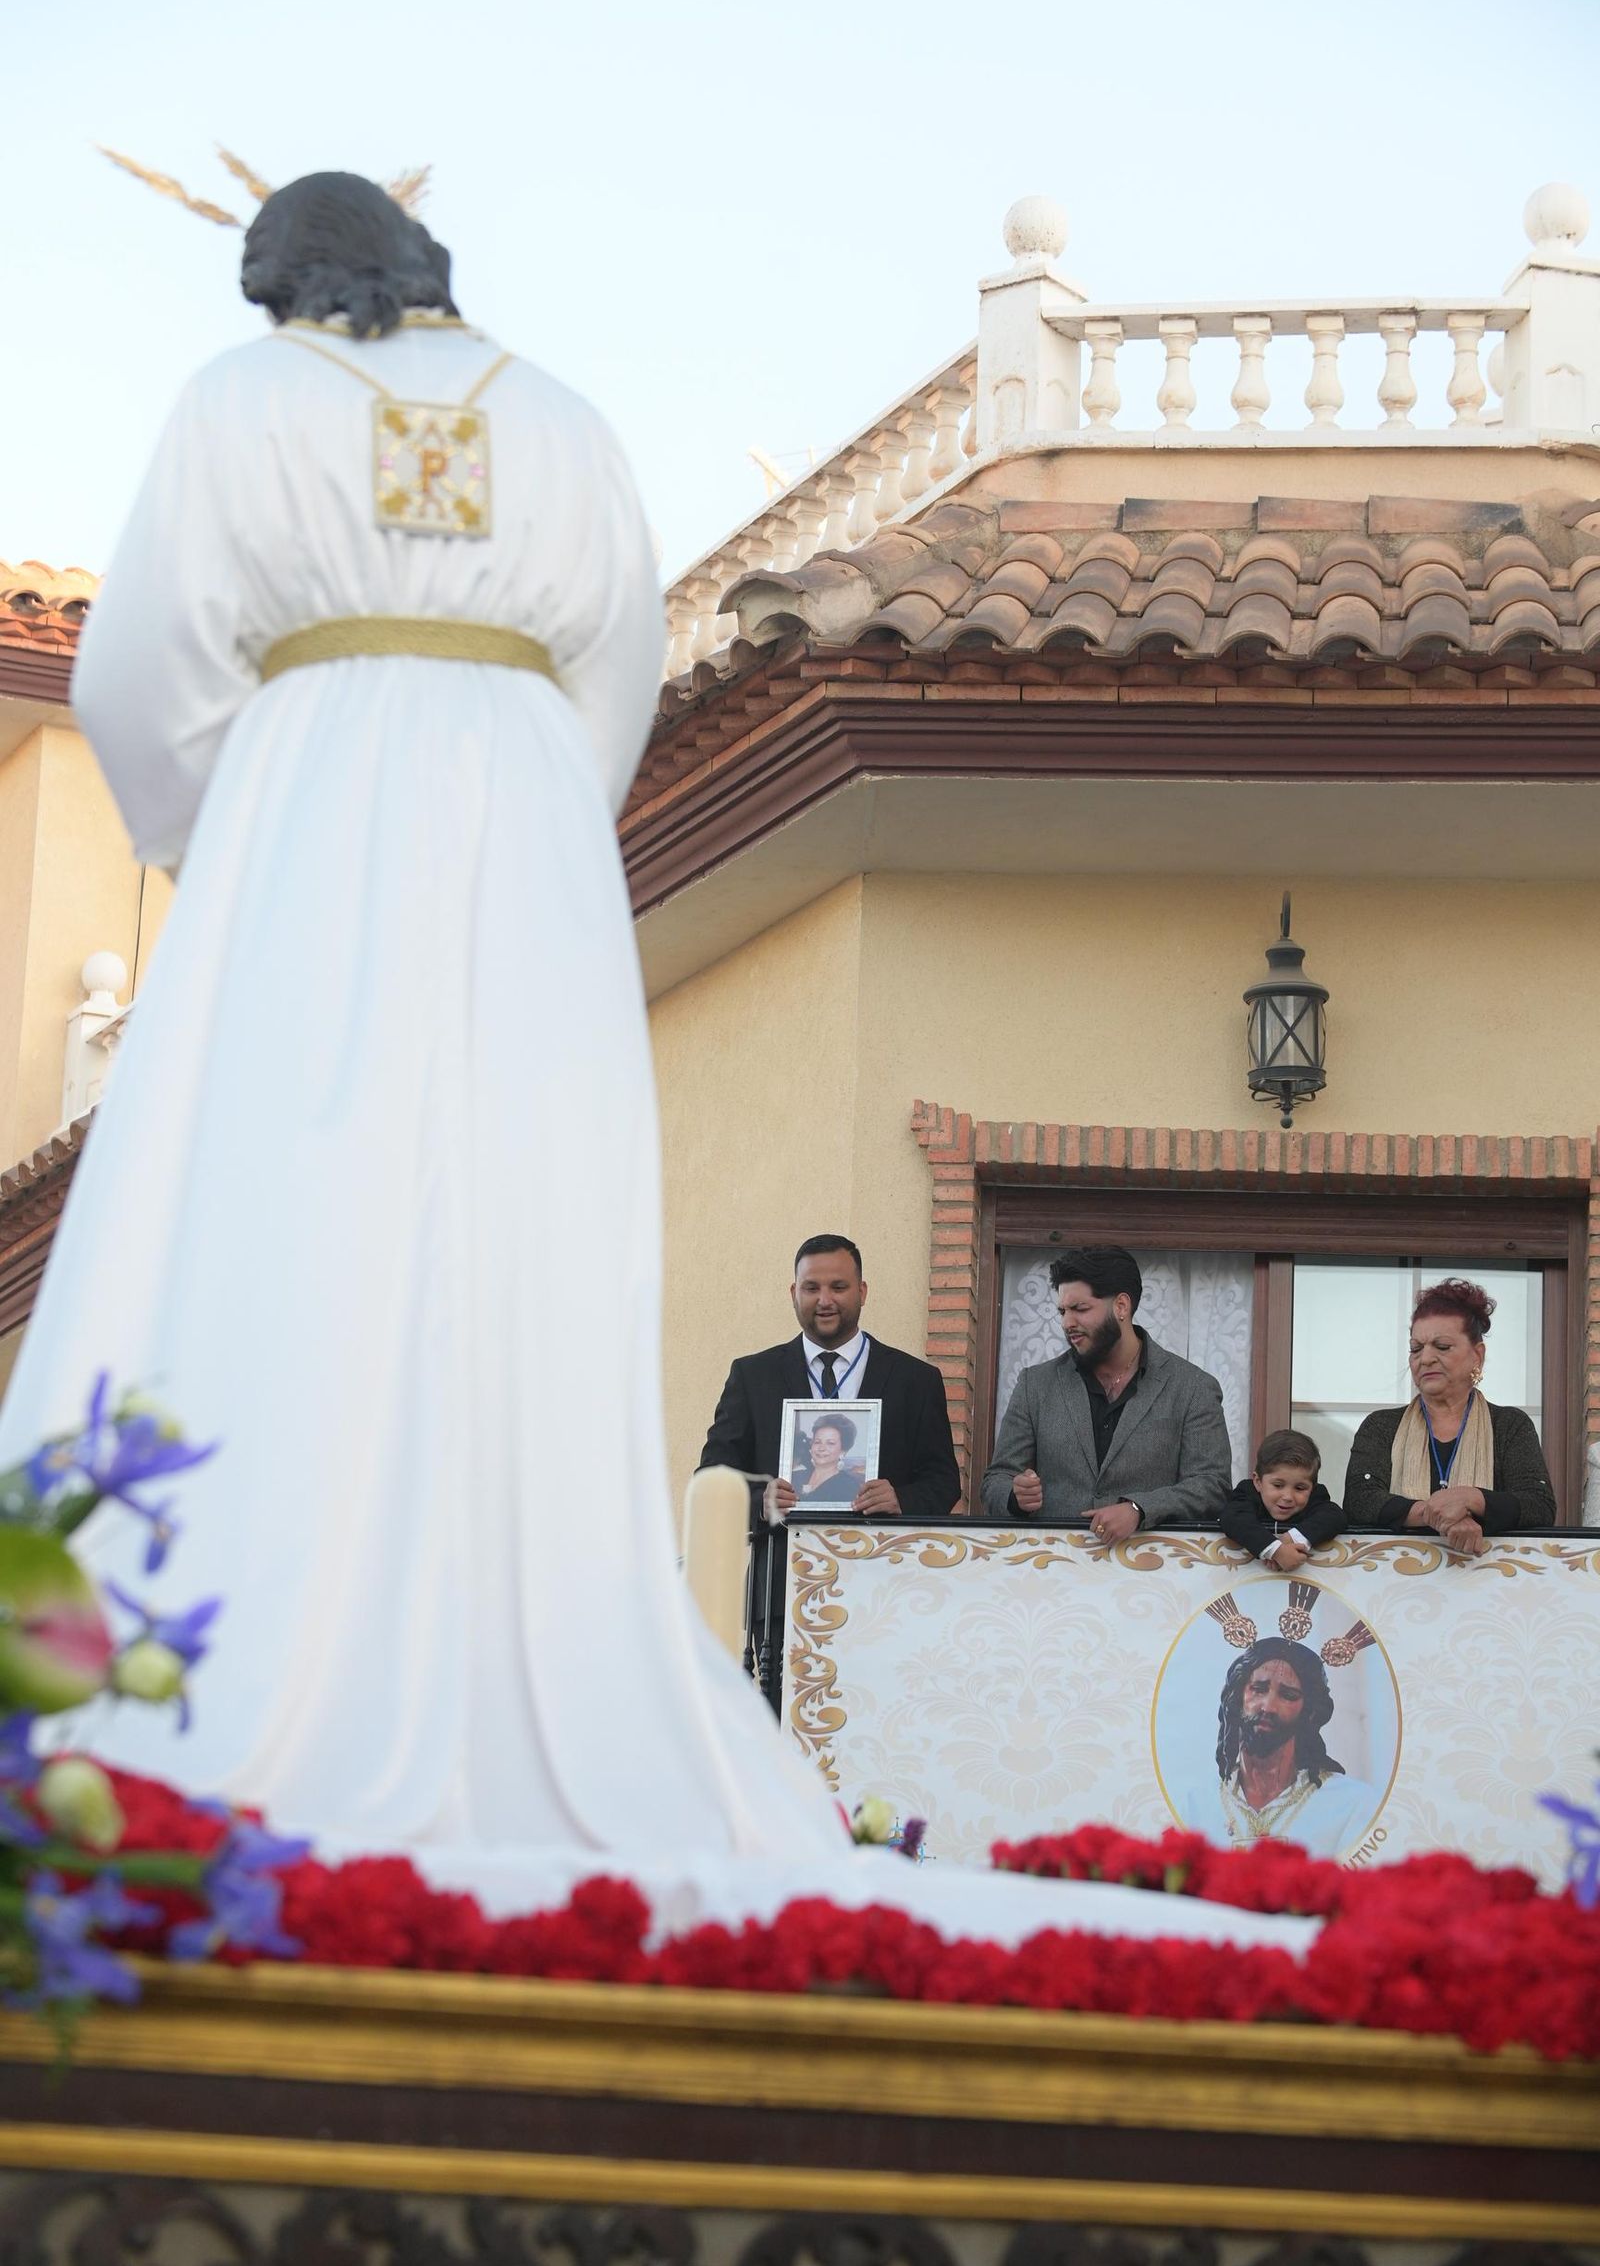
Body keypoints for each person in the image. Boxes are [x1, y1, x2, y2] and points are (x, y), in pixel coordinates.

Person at [0, 174, 1316, 1966]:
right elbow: (614, 686)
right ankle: (521, 1653)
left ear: (291, 291)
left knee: (272, 1215)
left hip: (309, 818)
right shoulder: (567, 422)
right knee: (506, 1238)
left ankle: (206, 1646)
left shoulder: (246, 397)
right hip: (529, 873)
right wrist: (519, 832)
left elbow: (144, 682)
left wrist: (242, 842)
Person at [700, 1235, 961, 1518]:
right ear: (793, 1293)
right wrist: (760, 1503)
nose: (824, 1300)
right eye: (811, 1288)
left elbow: (943, 1482)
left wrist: (901, 1499)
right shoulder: (752, 1376)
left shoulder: (916, 1380)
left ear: (862, 1292)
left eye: (838, 1287)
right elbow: (712, 1480)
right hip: (782, 1555)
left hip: (879, 1556)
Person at [980, 1245, 1232, 1533]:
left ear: (1121, 1306)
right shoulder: (1034, 1385)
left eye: (1080, 1309)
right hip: (1052, 1569)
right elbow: (996, 1480)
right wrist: (1014, 1496)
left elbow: (1212, 1486)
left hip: (1152, 1569)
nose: (1067, 1323)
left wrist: (1140, 1509)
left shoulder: (1193, 1388)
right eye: (1062, 1311)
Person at [1343, 1278, 1557, 1551]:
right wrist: (1438, 1515)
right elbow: (1359, 1500)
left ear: (1477, 1355)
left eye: (1441, 1346)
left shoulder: (1509, 1425)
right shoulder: (1381, 1426)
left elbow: (1538, 1504)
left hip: (1490, 1581)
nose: (1426, 1358)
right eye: (1416, 1348)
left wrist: (1471, 1499)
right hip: (1394, 1581)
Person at [1180, 1636, 1379, 1855]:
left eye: (1288, 1695)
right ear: (1238, 1698)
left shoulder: (1352, 1804)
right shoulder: (1196, 1805)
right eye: (1258, 1688)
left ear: (1309, 1711)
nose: (1268, 1706)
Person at [1219, 1429, 1348, 1568]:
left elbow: (1335, 1516)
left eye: (1299, 1488)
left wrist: (1293, 1537)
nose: (1287, 1497)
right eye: (1278, 1485)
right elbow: (1232, 1518)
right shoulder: (1247, 1492)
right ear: (1258, 1481)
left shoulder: (1316, 1497)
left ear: (1312, 1487)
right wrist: (1275, 1550)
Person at [790, 1412, 865, 1505]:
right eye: (817, 1442)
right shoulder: (794, 1476)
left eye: (830, 1443)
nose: (821, 1448)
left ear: (843, 1450)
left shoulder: (848, 1486)